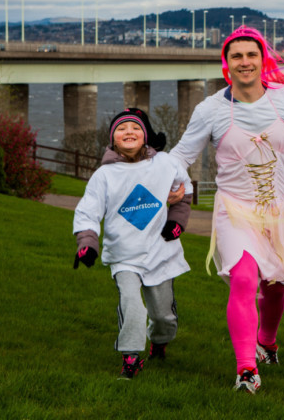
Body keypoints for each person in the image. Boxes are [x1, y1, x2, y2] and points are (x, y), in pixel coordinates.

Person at [168, 26, 284, 393]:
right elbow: (182, 155)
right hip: (235, 211)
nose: (245, 62)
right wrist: (167, 180)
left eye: (251, 55)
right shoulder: (210, 109)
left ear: (263, 60)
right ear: (227, 63)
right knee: (243, 279)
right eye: (237, 56)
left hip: (281, 212)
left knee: (274, 287)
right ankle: (246, 369)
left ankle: (268, 341)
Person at [72, 108, 193, 380]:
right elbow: (88, 212)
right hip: (124, 255)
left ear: (146, 136)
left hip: (161, 251)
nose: (129, 132)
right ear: (112, 139)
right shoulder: (104, 176)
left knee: (163, 316)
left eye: (135, 128)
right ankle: (130, 357)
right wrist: (88, 242)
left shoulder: (164, 163)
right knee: (132, 305)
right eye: (122, 128)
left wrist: (176, 220)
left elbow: (184, 192)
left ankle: (159, 342)